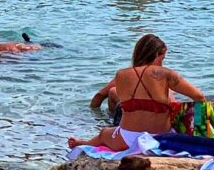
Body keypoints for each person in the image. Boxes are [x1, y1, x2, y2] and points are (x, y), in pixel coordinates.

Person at [72, 34, 203, 151]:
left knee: (103, 134)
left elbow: (107, 97)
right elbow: (199, 96)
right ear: (156, 54)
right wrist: (199, 125)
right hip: (160, 138)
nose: (162, 63)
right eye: (162, 58)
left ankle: (84, 143)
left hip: (127, 138)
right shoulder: (165, 74)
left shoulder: (121, 75)